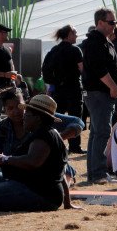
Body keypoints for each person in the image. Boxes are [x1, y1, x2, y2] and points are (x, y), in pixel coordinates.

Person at [81, 8, 117, 183]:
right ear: (100, 23)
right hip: (100, 92)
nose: (114, 25)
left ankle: (94, 172)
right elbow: (99, 69)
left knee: (97, 132)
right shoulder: (95, 42)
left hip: (99, 92)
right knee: (101, 132)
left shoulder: (101, 41)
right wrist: (113, 86)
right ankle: (98, 173)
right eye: (111, 22)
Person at [49, 25, 86, 154]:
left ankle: (54, 142)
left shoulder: (54, 50)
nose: (76, 35)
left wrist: (53, 83)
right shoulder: (75, 50)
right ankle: (74, 146)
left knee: (56, 117)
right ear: (69, 34)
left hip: (58, 89)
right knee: (75, 117)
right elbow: (82, 69)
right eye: (75, 33)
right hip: (74, 88)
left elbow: (46, 70)